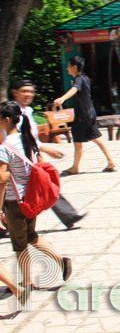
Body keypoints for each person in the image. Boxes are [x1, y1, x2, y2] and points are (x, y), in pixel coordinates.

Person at [0, 101, 72, 291]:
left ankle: (27, 281)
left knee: (19, 242)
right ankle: (59, 261)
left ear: (6, 119)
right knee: (30, 235)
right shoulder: (27, 139)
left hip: (14, 200)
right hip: (31, 198)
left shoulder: (5, 146)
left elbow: (1, 178)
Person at [10, 80, 87, 229]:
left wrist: (39, 155)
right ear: (15, 92)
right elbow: (20, 137)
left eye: (31, 91)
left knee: (45, 184)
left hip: (29, 155)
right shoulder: (13, 112)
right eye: (24, 91)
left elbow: (31, 137)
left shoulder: (27, 111)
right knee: (14, 191)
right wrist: (46, 150)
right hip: (15, 158)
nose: (28, 95)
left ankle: (69, 215)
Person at [53, 56, 116, 175]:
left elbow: (74, 90)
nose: (67, 68)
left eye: (69, 66)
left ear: (75, 67)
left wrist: (62, 98)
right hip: (88, 113)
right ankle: (110, 161)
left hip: (83, 115)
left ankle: (75, 167)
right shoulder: (85, 78)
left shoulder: (79, 79)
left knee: (80, 140)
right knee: (94, 138)